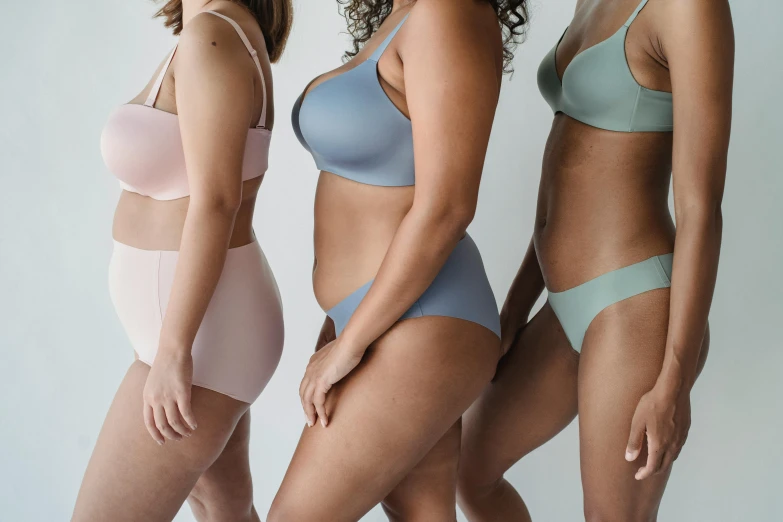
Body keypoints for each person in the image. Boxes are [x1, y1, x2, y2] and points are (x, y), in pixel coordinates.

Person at [457, 0, 734, 520]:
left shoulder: (690, 8)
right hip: (561, 303)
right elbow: (564, 169)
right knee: (469, 470)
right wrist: (515, 311)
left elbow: (701, 208)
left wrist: (673, 379)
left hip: (635, 305)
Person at [269, 0, 528, 520]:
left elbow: (447, 208)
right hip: (386, 316)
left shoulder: (447, 11)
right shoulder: (405, 14)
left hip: (423, 317)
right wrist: (342, 322)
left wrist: (354, 341)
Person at [72, 1, 291, 520]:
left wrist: (173, 351)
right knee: (226, 510)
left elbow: (216, 201)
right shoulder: (213, 32)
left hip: (199, 340)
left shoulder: (213, 37)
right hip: (198, 331)